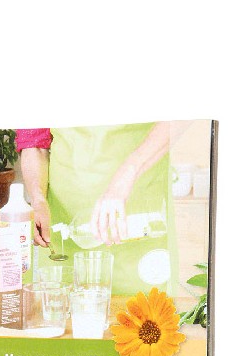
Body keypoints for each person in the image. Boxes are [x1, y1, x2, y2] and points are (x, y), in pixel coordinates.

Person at [16, 122, 187, 295]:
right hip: (63, 219)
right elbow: (33, 142)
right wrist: (38, 198)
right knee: (62, 304)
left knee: (145, 307)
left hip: (136, 211)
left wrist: (128, 172)